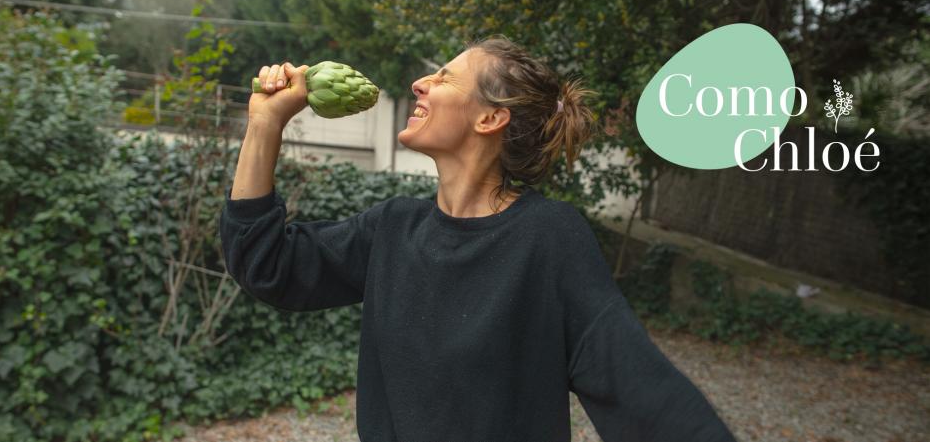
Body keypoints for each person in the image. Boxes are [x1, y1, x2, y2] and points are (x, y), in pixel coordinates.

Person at [219, 35, 738, 442]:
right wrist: (264, 124)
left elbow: (638, 389)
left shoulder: (547, 238)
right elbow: (267, 266)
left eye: (444, 77)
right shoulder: (392, 228)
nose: (421, 83)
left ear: (491, 118)